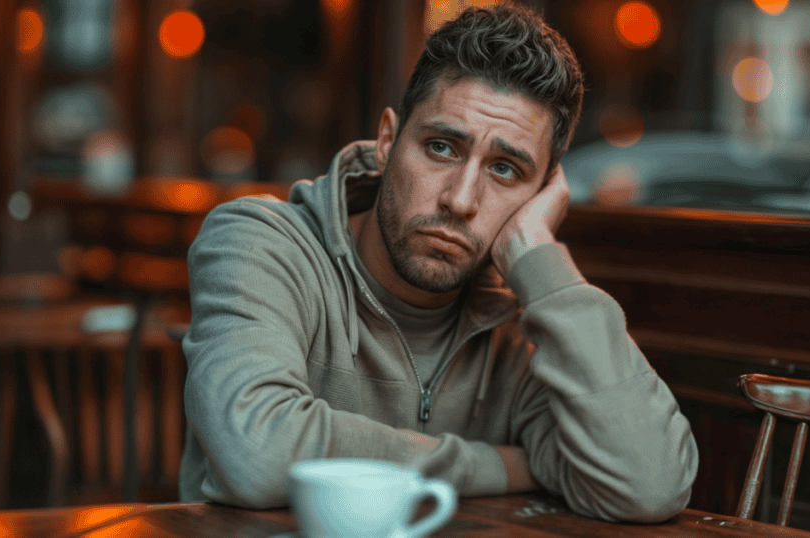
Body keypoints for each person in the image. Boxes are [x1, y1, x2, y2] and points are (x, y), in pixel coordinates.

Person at [179, 3, 698, 522]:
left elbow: (649, 485)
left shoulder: (524, 320)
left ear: (540, 194)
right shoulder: (260, 243)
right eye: (442, 147)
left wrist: (542, 265)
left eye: (505, 169)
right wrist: (502, 464)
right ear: (387, 142)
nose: (461, 199)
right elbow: (257, 452)